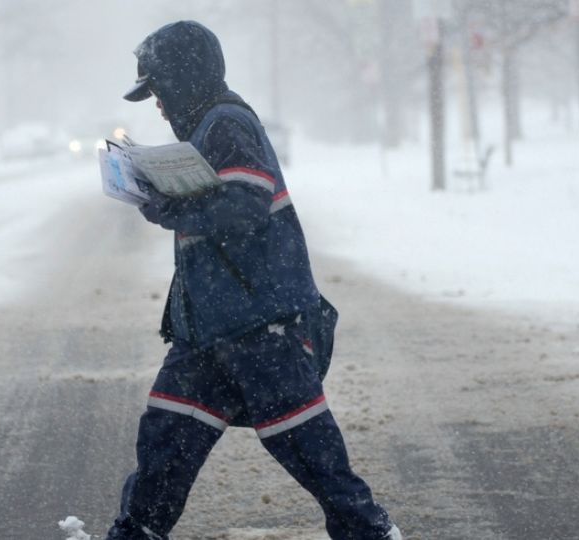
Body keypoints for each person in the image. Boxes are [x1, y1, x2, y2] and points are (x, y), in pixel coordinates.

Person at [106, 20, 401, 540]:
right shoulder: (206, 129)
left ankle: (371, 533)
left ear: (184, 78)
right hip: (209, 332)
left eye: (158, 90)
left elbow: (244, 202)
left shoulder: (226, 124)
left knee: (310, 451)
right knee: (166, 442)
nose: (157, 105)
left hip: (260, 327)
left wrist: (168, 205)